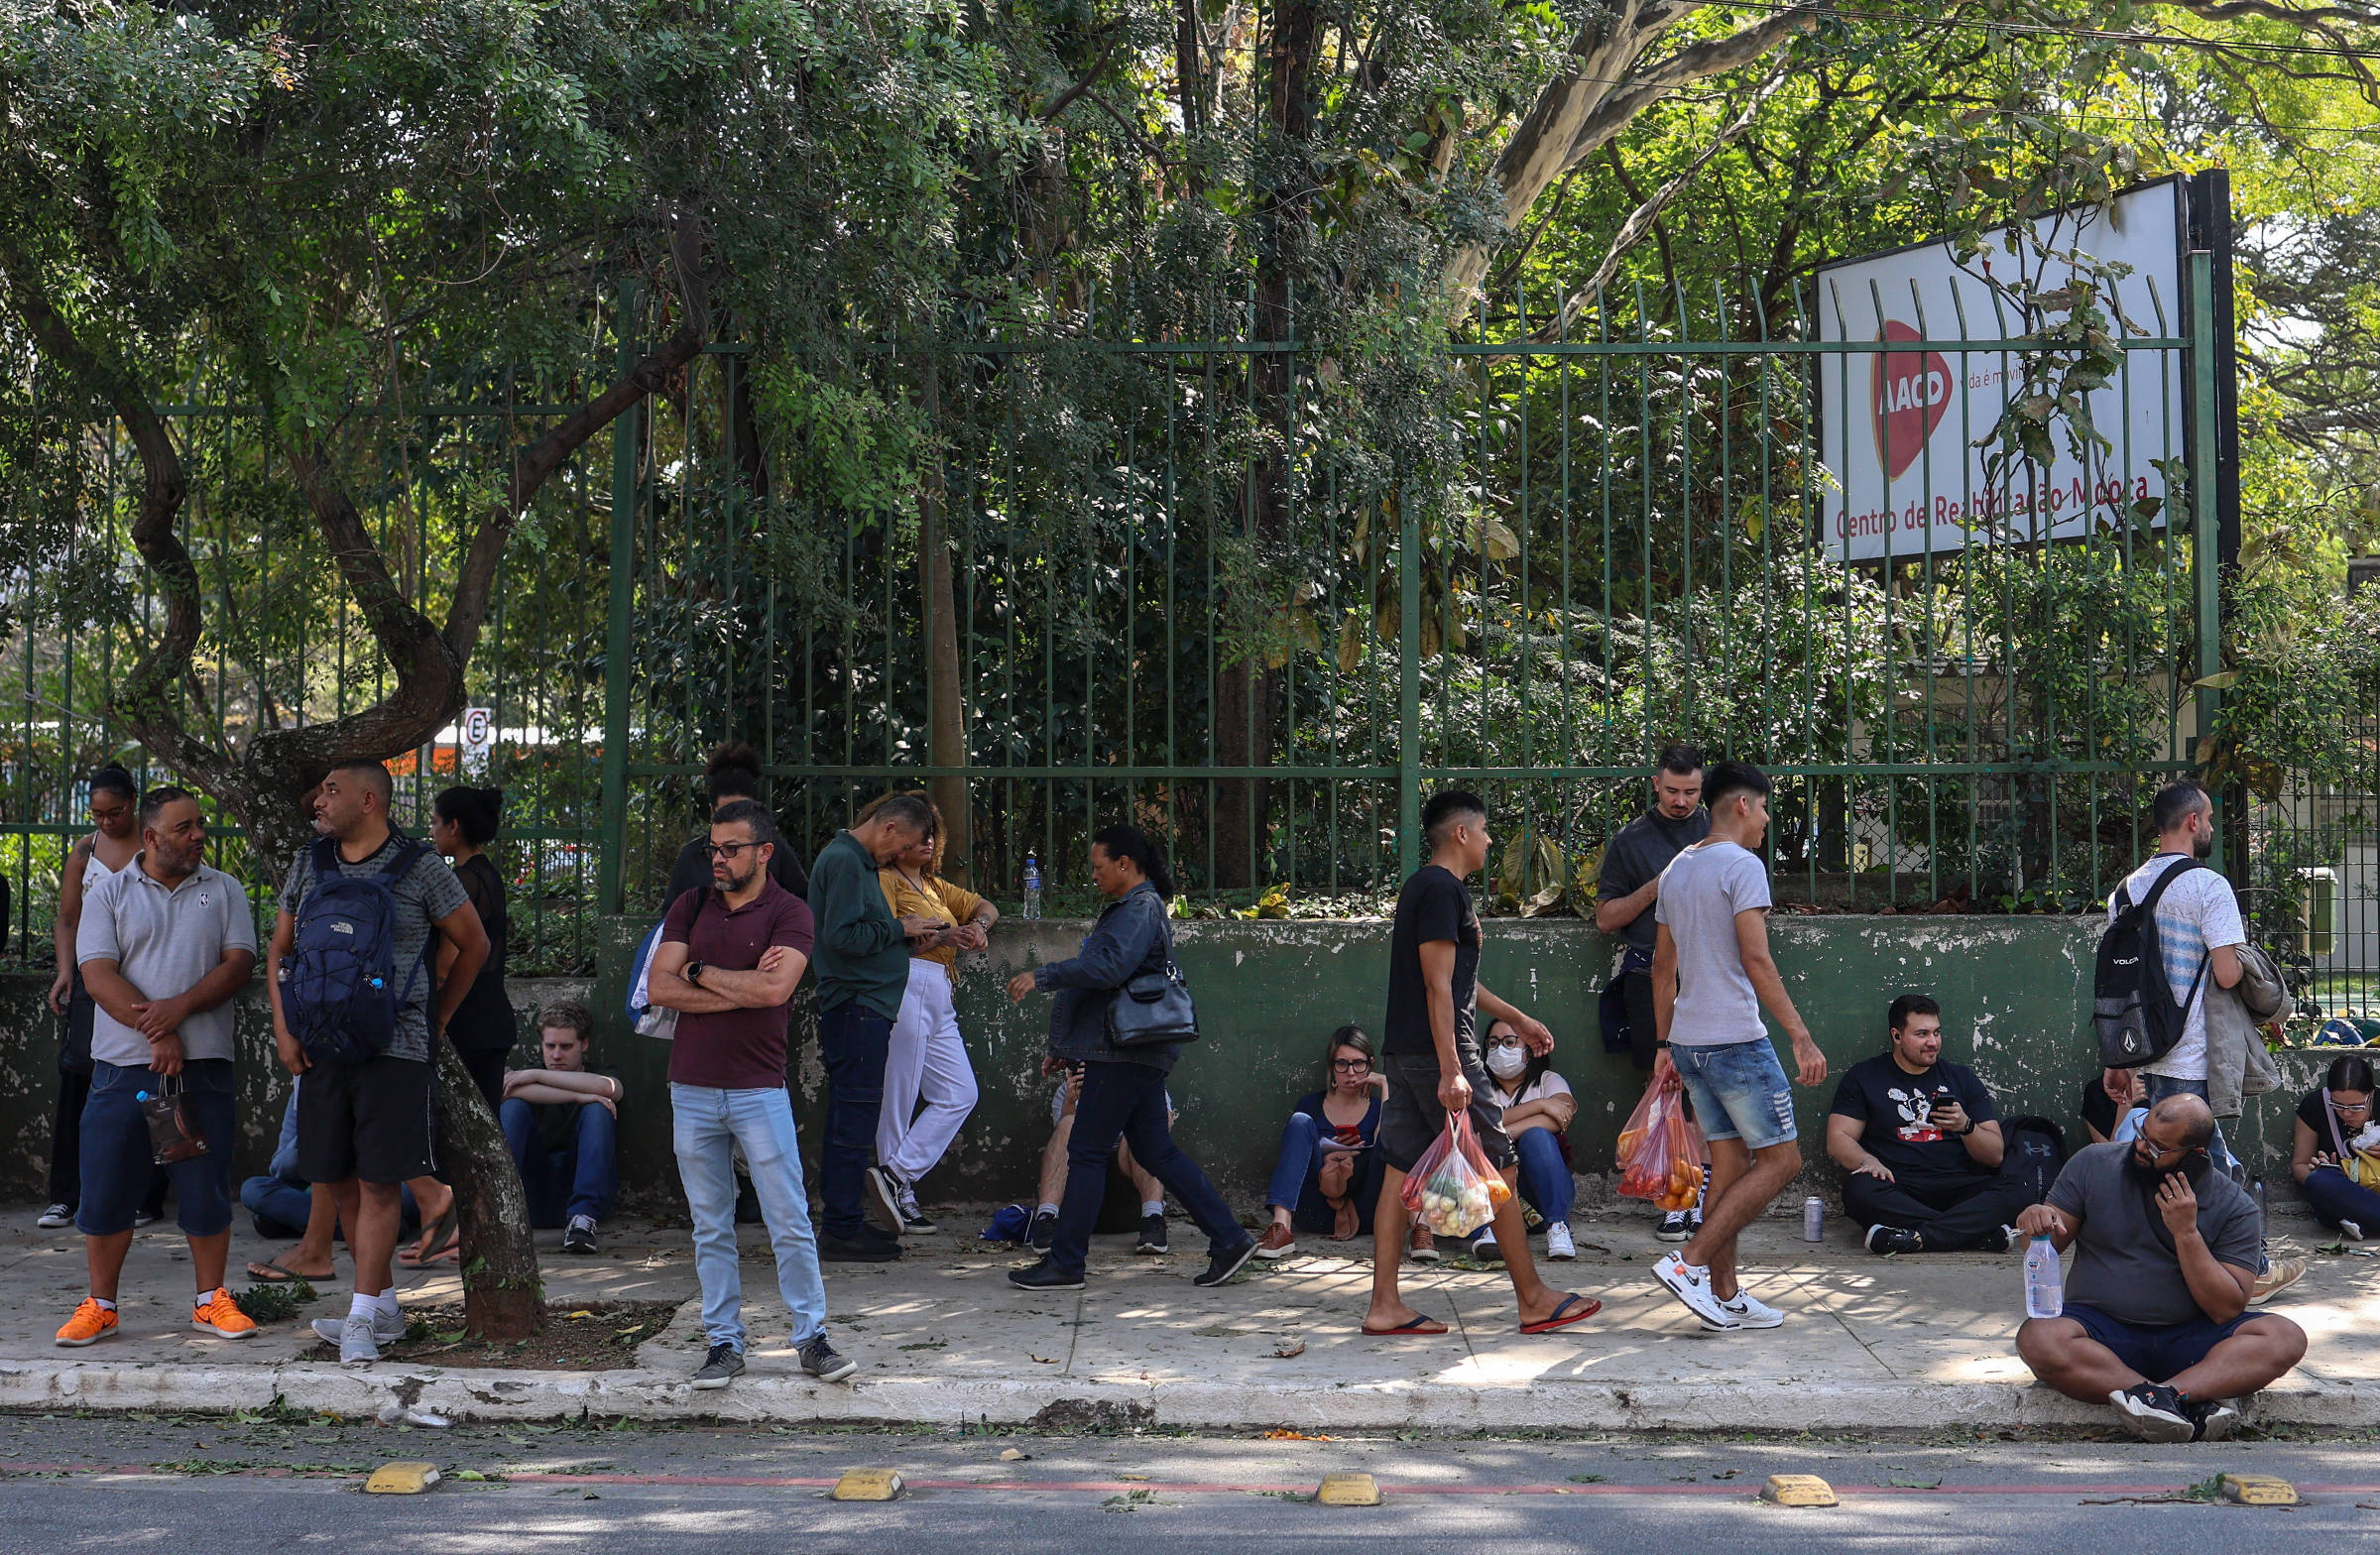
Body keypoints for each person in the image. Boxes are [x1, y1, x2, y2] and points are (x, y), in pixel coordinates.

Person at [268, 759, 489, 1367]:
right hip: (318, 1045)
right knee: (333, 1173)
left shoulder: (420, 868)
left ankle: (362, 1314)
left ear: (370, 801)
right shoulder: (309, 863)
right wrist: (285, 1029)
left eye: (332, 790)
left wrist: (437, 1016)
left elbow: (474, 944)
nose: (319, 799)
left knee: (380, 1179)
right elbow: (280, 950)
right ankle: (384, 1306)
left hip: (395, 1047)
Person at [1363, 790, 1599, 1338]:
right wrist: (1453, 1067)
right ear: (1462, 834)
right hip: (1438, 1053)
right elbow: (1438, 986)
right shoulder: (1442, 889)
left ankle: (1383, 1305)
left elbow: (1459, 981)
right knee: (1503, 1170)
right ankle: (1534, 1298)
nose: (1492, 840)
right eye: (1487, 830)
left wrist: (1519, 1016)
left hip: (1410, 1052)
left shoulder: (1427, 888)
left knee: (1400, 1171)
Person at [646, 798, 855, 1388]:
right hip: (690, 1086)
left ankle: (812, 1339)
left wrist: (699, 972)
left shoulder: (791, 913)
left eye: (731, 848)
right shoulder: (689, 904)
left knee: (788, 1217)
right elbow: (661, 987)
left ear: (764, 852)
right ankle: (722, 1344)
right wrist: (738, 984)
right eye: (713, 847)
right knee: (709, 1225)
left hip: (758, 1088)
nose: (717, 858)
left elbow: (775, 991)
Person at [1006, 826, 1257, 1291]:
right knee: (1153, 1149)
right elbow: (1108, 983)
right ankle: (1229, 1238)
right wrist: (1067, 1050)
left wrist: (1044, 975)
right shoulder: (1136, 909)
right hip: (1132, 1050)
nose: (1094, 876)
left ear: (1125, 864)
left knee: (1085, 1150)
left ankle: (1066, 1263)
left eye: (1099, 867)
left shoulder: (1138, 908)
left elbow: (1107, 970)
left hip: (1124, 1053)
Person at [56, 785, 259, 1347]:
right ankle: (101, 1304)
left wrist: (178, 1013)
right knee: (107, 1188)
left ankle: (209, 1300)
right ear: (150, 837)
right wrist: (159, 1031)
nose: (199, 836)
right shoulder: (111, 893)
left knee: (203, 1187)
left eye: (200, 825)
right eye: (185, 827)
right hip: (124, 1070)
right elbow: (96, 973)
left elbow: (238, 964)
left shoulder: (224, 890)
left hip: (200, 1071)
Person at [2099, 780, 2303, 1303]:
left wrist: (2116, 1057)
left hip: (2142, 1046)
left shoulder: (2124, 890)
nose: (2210, 827)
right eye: (2208, 818)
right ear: (2192, 822)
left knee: (2175, 1158)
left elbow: (2119, 983)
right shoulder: (2208, 886)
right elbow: (2229, 974)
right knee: (2206, 1161)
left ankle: (2181, 1260)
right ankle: (2251, 1267)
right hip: (2191, 1051)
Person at [1648, 760, 1828, 1333]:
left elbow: (1661, 967)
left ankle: (1723, 1294)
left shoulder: (1677, 867)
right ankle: (1691, 1263)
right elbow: (1756, 958)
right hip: (1736, 1041)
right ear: (1743, 805)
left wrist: (1665, 1043)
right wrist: (1799, 1035)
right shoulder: (1743, 865)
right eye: (1766, 808)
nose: (1768, 820)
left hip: (1689, 1042)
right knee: (1783, 1159)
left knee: (1726, 1164)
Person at [2014, 1094, 2308, 1442]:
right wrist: (2034, 1223)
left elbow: (2226, 1308)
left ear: (2195, 1155)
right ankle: (2174, 1399)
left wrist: (2186, 1233)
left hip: (2192, 1339)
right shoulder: (2093, 1164)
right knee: (2038, 1338)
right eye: (2141, 1133)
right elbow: (2048, 1241)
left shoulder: (2234, 1206)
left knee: (2285, 1337)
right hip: (2102, 1337)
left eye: (2157, 1148)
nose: (2140, 1146)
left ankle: (2164, 1395)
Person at [807, 791, 940, 1261]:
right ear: (887, 828)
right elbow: (842, 938)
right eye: (900, 846)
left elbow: (863, 938)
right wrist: (901, 928)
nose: (898, 856)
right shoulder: (846, 861)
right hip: (855, 1006)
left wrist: (909, 937)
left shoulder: (857, 864)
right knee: (854, 1117)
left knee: (858, 1116)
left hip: (866, 1005)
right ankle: (840, 1229)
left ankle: (844, 1221)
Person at [861, 793, 997, 1236]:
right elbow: (888, 941)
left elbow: (985, 906)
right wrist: (945, 937)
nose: (928, 841)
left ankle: (896, 1176)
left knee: (960, 1092)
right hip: (909, 982)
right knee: (899, 1094)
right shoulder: (888, 879)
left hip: (941, 992)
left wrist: (978, 926)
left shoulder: (936, 887)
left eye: (933, 834)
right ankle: (903, 1197)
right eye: (919, 833)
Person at [1597, 747, 1711, 1242]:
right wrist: (1658, 888)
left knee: (1707, 1086)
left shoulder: (1720, 829)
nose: (1681, 801)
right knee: (1663, 1080)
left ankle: (1700, 1194)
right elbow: (1605, 919)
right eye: (1672, 791)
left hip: (1707, 970)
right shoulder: (1632, 839)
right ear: (1655, 784)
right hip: (1647, 972)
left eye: (1690, 792)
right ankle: (1672, 1196)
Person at [1827, 994, 2036, 1254]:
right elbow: (1838, 1138)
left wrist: (1966, 1126)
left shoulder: (1961, 1078)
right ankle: (1972, 1235)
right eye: (1922, 1034)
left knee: (2021, 1188)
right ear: (1897, 1036)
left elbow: (1994, 1155)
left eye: (1937, 1033)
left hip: (1958, 1187)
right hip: (1898, 1185)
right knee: (1859, 1191)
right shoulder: (1865, 1076)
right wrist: (1866, 1161)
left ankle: (1914, 1237)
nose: (1933, 1042)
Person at [40, 765, 145, 1232]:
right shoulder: (85, 850)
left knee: (150, 1082)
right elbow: (67, 919)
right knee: (80, 1076)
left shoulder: (156, 841)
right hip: (91, 976)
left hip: (148, 976)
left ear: (134, 803)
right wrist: (66, 971)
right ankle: (67, 1194)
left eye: (116, 812)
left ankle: (145, 1195)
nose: (106, 822)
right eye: (97, 814)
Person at [1254, 1025, 1387, 1260]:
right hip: (1315, 1210)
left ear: (1370, 1065)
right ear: (1332, 1067)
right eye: (1342, 1064)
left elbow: (1388, 1148)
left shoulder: (1378, 1108)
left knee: (1393, 1136)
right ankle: (1280, 1228)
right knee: (1299, 1121)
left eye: (1358, 1063)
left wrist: (1386, 1087)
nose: (1351, 1073)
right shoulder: (1310, 1104)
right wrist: (1324, 1148)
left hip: (1366, 1212)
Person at [499, 1001, 621, 1254]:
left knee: (599, 1108)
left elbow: (609, 1089)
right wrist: (577, 1096)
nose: (556, 1055)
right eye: (550, 1046)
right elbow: (505, 1089)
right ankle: (500, 1211)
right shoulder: (523, 1082)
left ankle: (583, 1221)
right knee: (513, 1106)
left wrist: (536, 1075)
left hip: (583, 1194)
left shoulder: (601, 1073)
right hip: (530, 1193)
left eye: (566, 1047)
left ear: (584, 1044)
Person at [1023, 1064, 1174, 1254]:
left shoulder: (1146, 1085)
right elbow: (1061, 1150)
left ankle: (1153, 1217)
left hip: (1131, 1205)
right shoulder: (1067, 1091)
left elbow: (1162, 1129)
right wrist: (1071, 1103)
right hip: (1079, 1207)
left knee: (1143, 1129)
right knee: (1068, 1124)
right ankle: (1046, 1218)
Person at [430, 785, 518, 1110]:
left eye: (435, 821)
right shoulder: (488, 873)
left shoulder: (464, 879)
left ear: (453, 826)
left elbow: (446, 962)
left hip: (466, 1022)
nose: (431, 830)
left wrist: (434, 1015)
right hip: (492, 1017)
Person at [1465, 1019, 1580, 1263]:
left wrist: (1505, 1132)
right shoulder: (1479, 1086)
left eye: (1509, 1042)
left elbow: (1562, 1116)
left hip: (1538, 1195)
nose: (1500, 1050)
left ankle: (1558, 1226)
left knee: (1536, 1137)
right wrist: (1539, 1106)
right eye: (1493, 1044)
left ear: (1529, 1050)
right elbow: (1476, 1126)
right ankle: (1488, 1231)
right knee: (1477, 1146)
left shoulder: (1548, 1080)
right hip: (1491, 1193)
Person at [664, 742, 810, 903]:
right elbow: (671, 918)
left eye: (743, 811)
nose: (734, 819)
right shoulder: (691, 856)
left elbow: (802, 905)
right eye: (725, 813)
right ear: (712, 810)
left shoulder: (776, 851)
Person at [2291, 1054, 2380, 1241]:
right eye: (2337, 1105)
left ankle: (2364, 1222)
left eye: (2356, 1107)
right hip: (2344, 1193)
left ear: (2371, 1094)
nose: (2346, 1113)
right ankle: (2365, 1220)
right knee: (2318, 1181)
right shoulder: (2315, 1105)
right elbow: (2300, 1164)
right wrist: (2316, 1169)